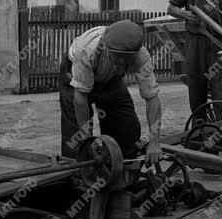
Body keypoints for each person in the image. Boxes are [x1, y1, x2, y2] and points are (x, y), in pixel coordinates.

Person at [59, 19, 162, 165]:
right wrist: (88, 140)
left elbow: (152, 97)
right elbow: (80, 98)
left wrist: (155, 141)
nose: (120, 63)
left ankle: (122, 174)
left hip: (111, 81)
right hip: (74, 78)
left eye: (125, 59)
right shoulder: (87, 51)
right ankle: (77, 177)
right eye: (116, 57)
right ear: (106, 48)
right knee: (77, 141)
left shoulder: (141, 57)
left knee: (126, 129)